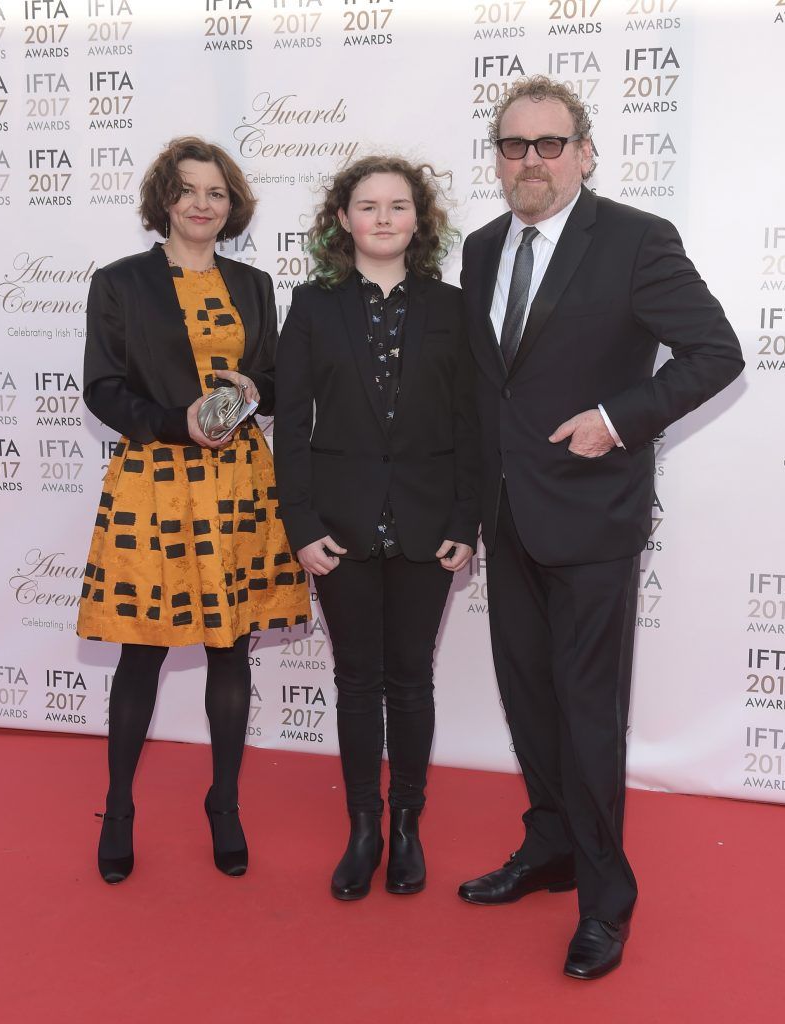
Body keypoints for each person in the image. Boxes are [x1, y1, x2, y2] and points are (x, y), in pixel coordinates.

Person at [458, 77, 744, 978]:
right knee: (528, 701)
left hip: (591, 517)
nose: (530, 161)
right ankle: (547, 847)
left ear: (584, 151)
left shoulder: (633, 239)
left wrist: (617, 418)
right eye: (514, 146)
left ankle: (604, 901)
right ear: (497, 159)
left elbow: (714, 352)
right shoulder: (477, 249)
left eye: (548, 144)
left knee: (586, 715)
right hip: (505, 517)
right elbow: (484, 389)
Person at [78, 136, 310, 884]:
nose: (202, 204)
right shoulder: (120, 282)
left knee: (230, 648)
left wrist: (252, 393)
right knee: (140, 649)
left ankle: (225, 803)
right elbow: (103, 387)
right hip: (156, 480)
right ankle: (118, 807)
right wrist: (177, 422)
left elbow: (276, 381)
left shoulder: (253, 283)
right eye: (188, 191)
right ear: (164, 202)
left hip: (238, 482)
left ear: (230, 203)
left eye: (215, 192)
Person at [274, 156, 480, 900]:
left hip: (429, 523)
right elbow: (290, 425)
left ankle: (407, 829)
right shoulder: (312, 304)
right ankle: (363, 828)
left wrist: (466, 518)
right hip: (339, 524)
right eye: (368, 205)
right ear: (342, 219)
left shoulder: (453, 307)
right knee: (357, 681)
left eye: (398, 205)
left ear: (419, 221)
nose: (384, 218)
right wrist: (299, 523)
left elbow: (471, 423)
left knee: (412, 678)